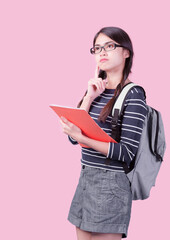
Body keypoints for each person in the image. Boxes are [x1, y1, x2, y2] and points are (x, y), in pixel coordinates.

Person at [59, 26, 148, 240]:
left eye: (109, 46)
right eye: (97, 48)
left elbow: (126, 153)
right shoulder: (95, 90)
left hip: (112, 184)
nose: (102, 53)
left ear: (126, 52)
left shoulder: (133, 94)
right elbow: (73, 137)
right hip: (86, 178)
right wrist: (89, 97)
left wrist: (83, 139)